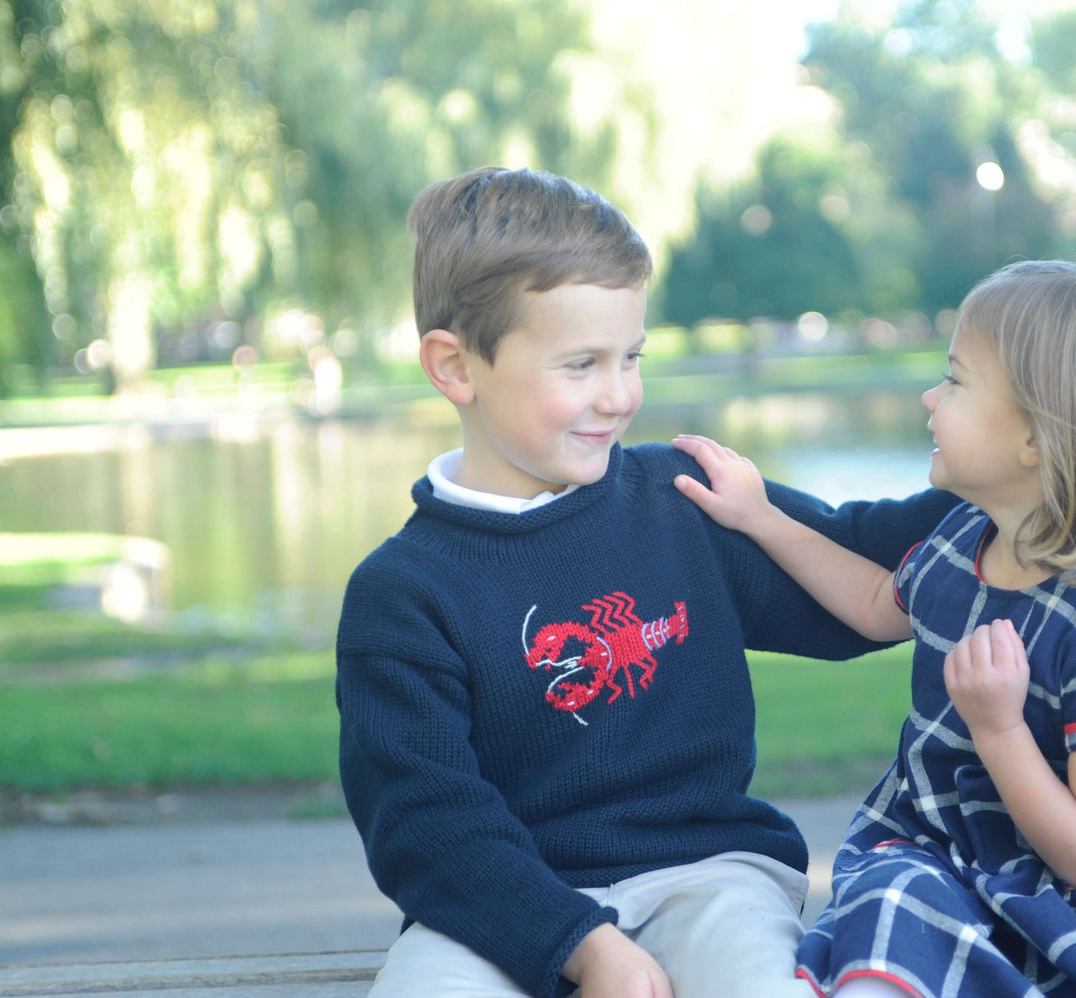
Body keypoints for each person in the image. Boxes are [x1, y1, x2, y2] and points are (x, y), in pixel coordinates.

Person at [334, 166, 955, 998]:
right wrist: (579, 944)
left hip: (710, 877)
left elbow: (851, 560)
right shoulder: (403, 594)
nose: (620, 395)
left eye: (631, 357)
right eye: (581, 364)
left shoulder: (683, 501)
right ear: (456, 367)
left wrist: (1014, 486)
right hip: (500, 905)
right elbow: (425, 822)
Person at [672, 254, 1076, 998]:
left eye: (954, 381)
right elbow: (872, 605)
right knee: (890, 901)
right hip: (940, 856)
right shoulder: (964, 540)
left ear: (1036, 439)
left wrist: (1000, 730)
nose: (928, 396)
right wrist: (761, 517)